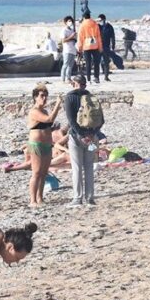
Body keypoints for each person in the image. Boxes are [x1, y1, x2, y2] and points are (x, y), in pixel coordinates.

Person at [26, 84, 63, 206]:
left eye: (46, 96)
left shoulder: (44, 111)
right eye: (41, 96)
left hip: (47, 145)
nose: (44, 98)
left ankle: (40, 198)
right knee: (36, 172)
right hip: (37, 145)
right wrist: (58, 104)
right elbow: (49, 120)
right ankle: (33, 200)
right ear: (35, 97)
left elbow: (49, 123)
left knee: (43, 172)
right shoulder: (34, 111)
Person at [64, 75, 98, 205]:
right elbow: (100, 119)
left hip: (76, 137)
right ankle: (90, 197)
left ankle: (77, 198)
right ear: (85, 84)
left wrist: (82, 135)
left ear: (74, 84)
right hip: (92, 137)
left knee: (77, 167)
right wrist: (92, 134)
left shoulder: (70, 97)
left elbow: (71, 121)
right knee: (89, 167)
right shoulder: (91, 97)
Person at [77, 12, 102, 84]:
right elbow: (98, 36)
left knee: (88, 63)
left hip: (86, 45)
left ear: (84, 17)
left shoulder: (82, 25)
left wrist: (80, 47)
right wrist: (100, 47)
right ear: (90, 16)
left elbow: (80, 37)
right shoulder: (95, 24)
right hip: (95, 45)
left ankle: (88, 79)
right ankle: (96, 77)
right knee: (96, 62)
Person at [97, 14, 115, 82]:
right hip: (98, 46)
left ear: (104, 19)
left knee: (106, 62)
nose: (99, 21)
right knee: (97, 62)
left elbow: (113, 37)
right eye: (99, 20)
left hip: (106, 46)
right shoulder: (97, 26)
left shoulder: (109, 27)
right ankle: (97, 77)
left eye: (100, 20)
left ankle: (106, 76)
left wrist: (113, 46)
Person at [60, 16, 77, 83]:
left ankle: (68, 78)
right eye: (69, 21)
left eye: (71, 21)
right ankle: (63, 78)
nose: (70, 23)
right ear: (66, 22)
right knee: (65, 64)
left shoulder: (72, 30)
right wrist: (71, 36)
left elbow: (74, 39)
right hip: (67, 50)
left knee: (70, 65)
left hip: (73, 50)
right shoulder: (64, 30)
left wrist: (75, 38)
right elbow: (63, 40)